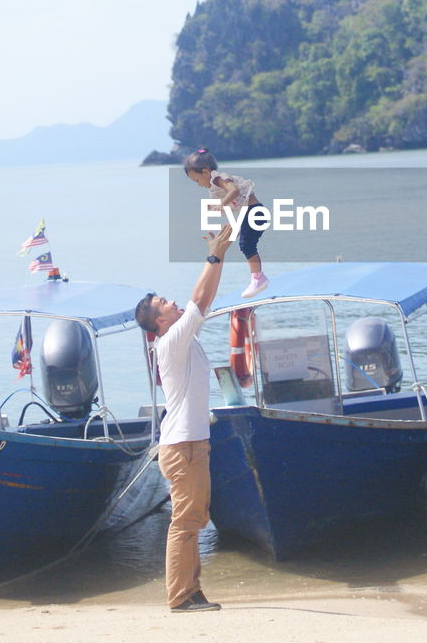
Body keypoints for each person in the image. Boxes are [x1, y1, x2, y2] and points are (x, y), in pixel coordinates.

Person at [135, 225, 233, 613]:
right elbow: (200, 298)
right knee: (186, 520)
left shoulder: (182, 338)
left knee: (195, 517)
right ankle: (180, 595)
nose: (172, 302)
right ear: (159, 321)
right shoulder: (171, 341)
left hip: (190, 443)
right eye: (164, 302)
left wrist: (219, 254)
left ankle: (191, 591)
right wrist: (214, 255)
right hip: (183, 445)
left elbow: (201, 301)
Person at [184, 148, 268, 299]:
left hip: (254, 211)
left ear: (205, 172)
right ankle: (257, 277)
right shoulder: (215, 186)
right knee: (244, 243)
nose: (198, 184)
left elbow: (234, 191)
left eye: (196, 180)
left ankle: (258, 278)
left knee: (246, 245)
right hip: (252, 212)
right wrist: (215, 207)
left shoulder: (217, 179)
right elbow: (232, 202)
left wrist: (221, 204)